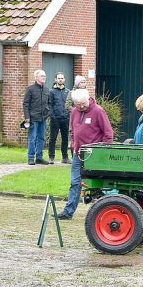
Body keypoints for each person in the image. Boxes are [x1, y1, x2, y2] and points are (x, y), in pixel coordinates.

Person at [58, 88, 114, 220]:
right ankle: (68, 211)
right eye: (78, 105)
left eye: (83, 103)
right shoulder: (75, 112)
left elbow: (108, 134)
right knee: (75, 182)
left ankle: (107, 212)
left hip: (94, 155)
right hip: (78, 154)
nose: (82, 106)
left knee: (100, 184)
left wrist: (102, 152)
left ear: (88, 99)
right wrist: (73, 143)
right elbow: (73, 130)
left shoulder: (98, 111)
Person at [23, 69, 51, 165]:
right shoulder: (30, 89)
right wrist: (27, 117)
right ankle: (31, 157)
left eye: (44, 76)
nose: (44, 77)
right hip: (33, 118)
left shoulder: (47, 90)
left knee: (41, 138)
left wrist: (48, 113)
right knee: (32, 138)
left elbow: (49, 103)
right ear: (36, 77)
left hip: (43, 118)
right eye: (42, 76)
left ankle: (39, 157)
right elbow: (26, 104)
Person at [48, 72, 71, 164]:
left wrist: (68, 114)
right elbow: (49, 105)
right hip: (55, 118)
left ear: (64, 79)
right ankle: (51, 157)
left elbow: (69, 104)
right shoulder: (52, 91)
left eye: (62, 78)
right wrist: (52, 115)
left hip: (65, 118)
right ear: (55, 80)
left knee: (65, 138)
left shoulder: (68, 91)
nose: (60, 79)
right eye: (58, 78)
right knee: (53, 138)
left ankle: (65, 157)